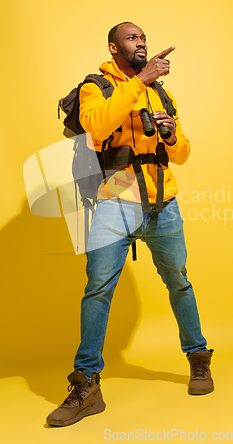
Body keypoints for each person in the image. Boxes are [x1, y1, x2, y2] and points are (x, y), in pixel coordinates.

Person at [46, 22, 214, 427]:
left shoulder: (161, 92)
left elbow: (184, 154)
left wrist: (172, 137)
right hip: (113, 201)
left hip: (162, 202)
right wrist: (139, 80)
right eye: (132, 38)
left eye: (143, 38)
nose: (141, 42)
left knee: (179, 282)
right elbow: (97, 126)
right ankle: (87, 384)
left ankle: (198, 358)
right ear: (114, 47)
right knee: (98, 289)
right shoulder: (95, 87)